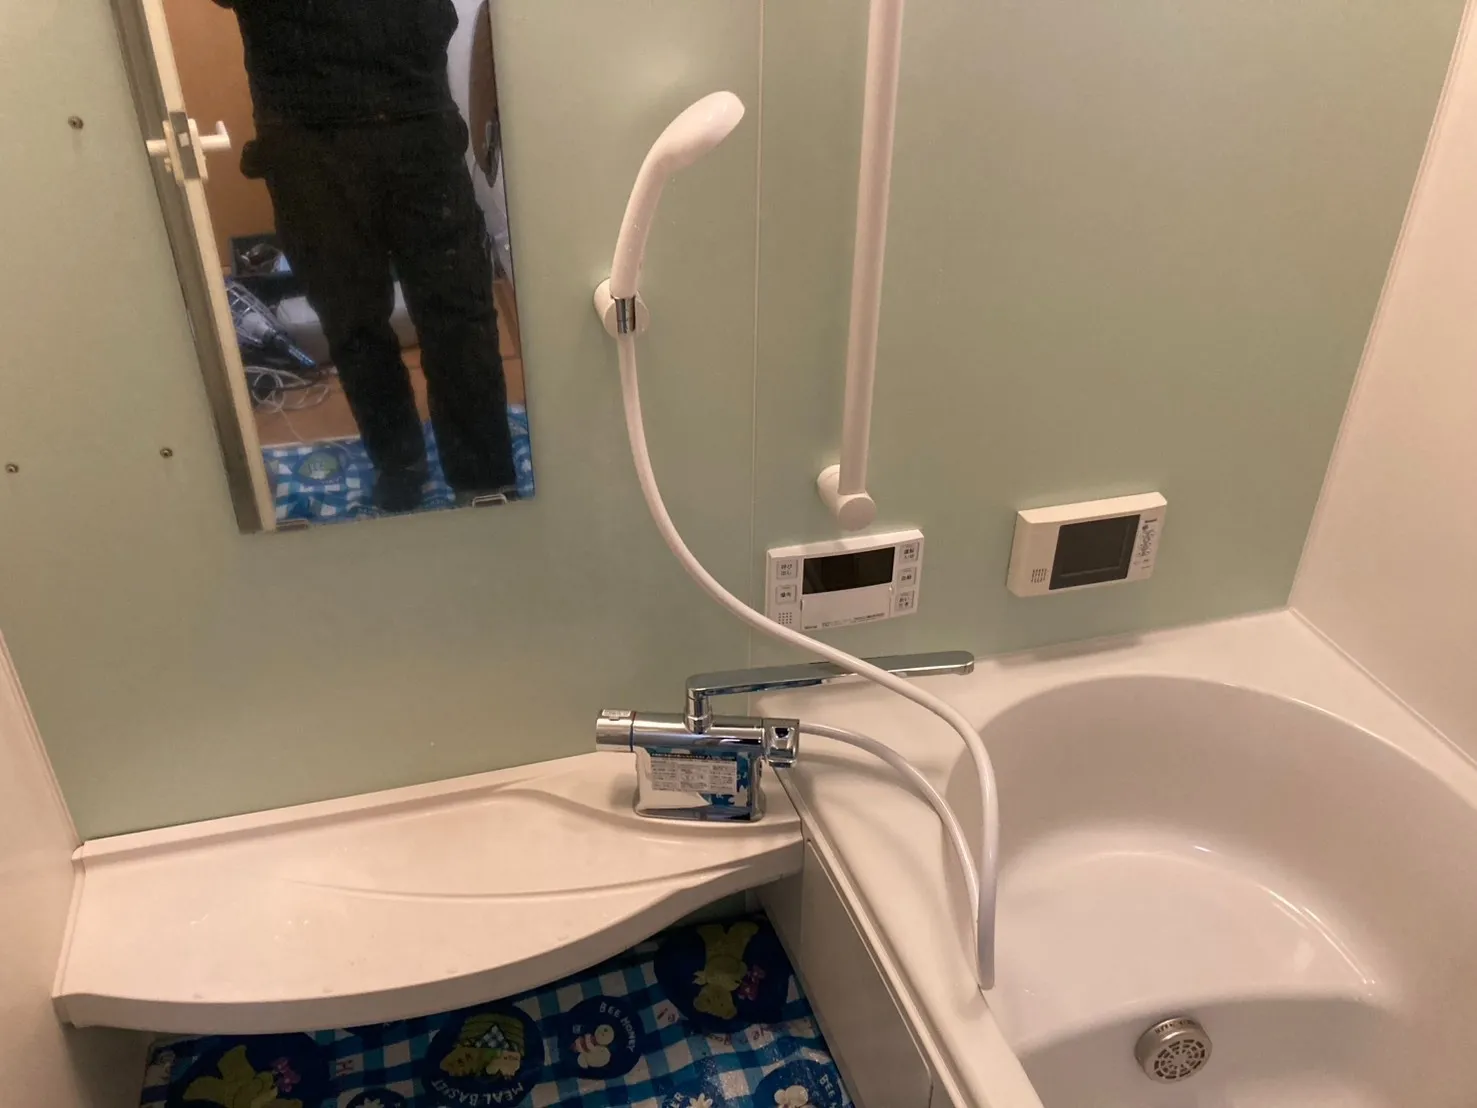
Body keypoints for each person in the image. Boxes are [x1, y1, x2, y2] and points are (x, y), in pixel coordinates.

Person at [213, 0, 518, 511]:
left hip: (414, 110)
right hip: (305, 130)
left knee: (459, 312)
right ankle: (398, 462)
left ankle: (483, 477)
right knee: (350, 319)